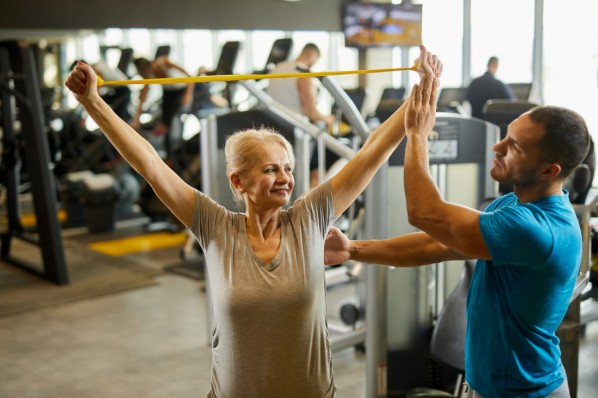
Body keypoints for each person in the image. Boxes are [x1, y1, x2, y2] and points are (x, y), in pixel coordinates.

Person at [65, 45, 442, 398]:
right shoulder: (215, 227)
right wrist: (92, 103)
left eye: (288, 169)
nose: (285, 178)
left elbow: (371, 151)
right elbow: (149, 163)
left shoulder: (309, 219)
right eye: (270, 169)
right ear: (238, 181)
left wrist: (423, 92)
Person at [325, 75, 590, 397]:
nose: (498, 147)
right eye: (506, 136)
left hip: (523, 392)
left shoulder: (534, 229)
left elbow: (424, 213)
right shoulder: (515, 204)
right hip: (497, 385)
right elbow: (437, 243)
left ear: (550, 171)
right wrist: (353, 249)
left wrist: (418, 136)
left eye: (514, 146)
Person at [266, 43, 337, 187]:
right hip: (298, 133)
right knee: (316, 171)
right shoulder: (303, 72)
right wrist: (329, 119)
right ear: (311, 56)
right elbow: (311, 113)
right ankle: (314, 207)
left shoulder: (279, 67)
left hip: (275, 131)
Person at [132, 55, 194, 156]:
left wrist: (188, 94)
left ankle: (174, 155)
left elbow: (190, 77)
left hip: (181, 90)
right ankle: (169, 154)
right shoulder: (148, 74)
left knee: (169, 121)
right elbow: (142, 97)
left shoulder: (163, 62)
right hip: (168, 92)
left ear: (149, 67)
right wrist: (136, 120)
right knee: (164, 124)